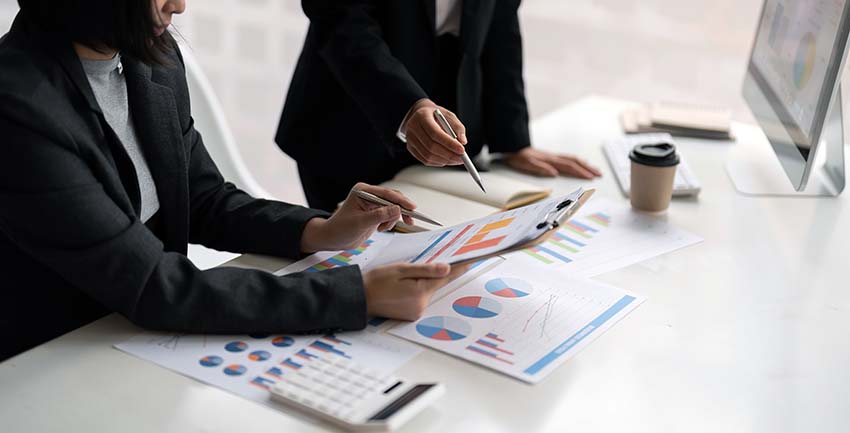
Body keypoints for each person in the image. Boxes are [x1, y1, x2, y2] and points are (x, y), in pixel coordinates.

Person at [0, 0, 466, 362]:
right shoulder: (19, 109)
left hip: (132, 340)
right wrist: (358, 295)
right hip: (53, 360)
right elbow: (154, 286)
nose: (179, 6)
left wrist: (318, 231)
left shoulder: (150, 57)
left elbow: (202, 197)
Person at [276, 0, 603, 211]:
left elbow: (500, 21)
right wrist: (407, 108)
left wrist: (513, 140)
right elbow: (340, 20)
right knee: (364, 272)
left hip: (450, 109)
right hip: (348, 122)